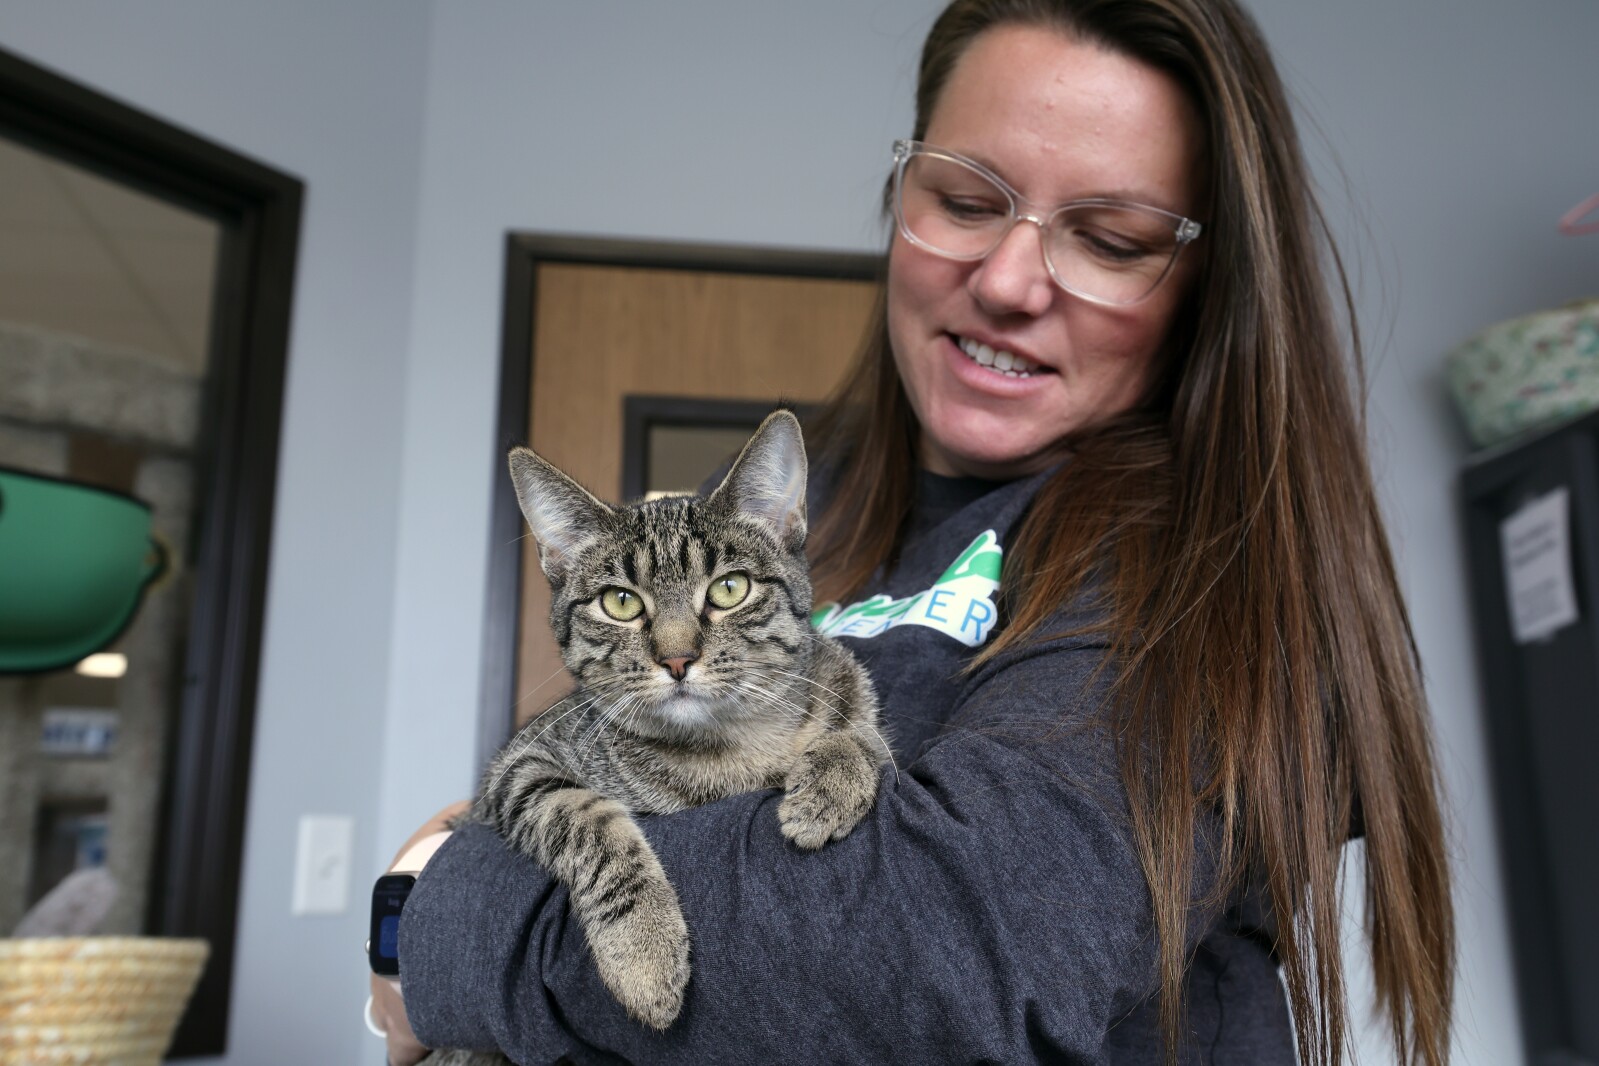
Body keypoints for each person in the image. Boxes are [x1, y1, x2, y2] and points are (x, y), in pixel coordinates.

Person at [372, 0, 1455, 1062]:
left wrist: (445, 929)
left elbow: (945, 946)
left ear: (1203, 290)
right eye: (967, 200)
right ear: (900, 193)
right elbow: (563, 784)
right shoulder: (781, 517)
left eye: (1111, 238)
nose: (1008, 281)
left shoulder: (1216, 557)